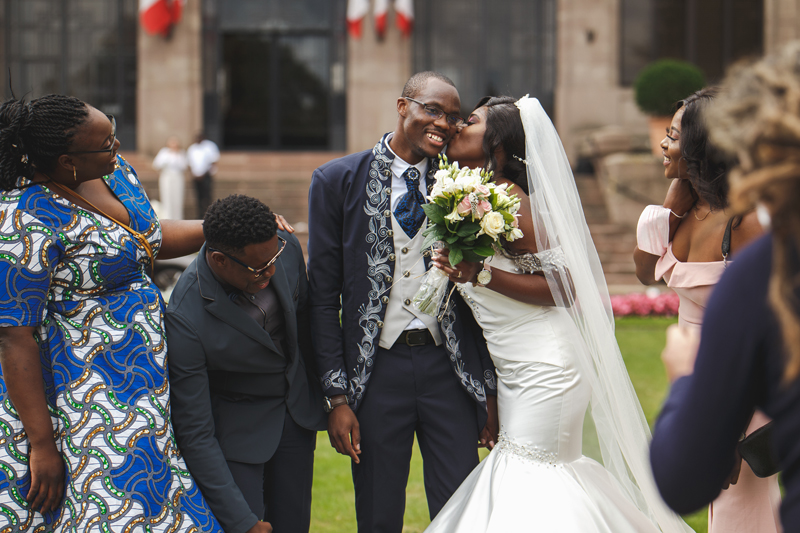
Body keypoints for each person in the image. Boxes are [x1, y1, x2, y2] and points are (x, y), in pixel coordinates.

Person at [424, 95, 692, 532]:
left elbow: (567, 284)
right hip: (515, 368)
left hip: (548, 366)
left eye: (469, 122)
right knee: (531, 473)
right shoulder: (470, 196)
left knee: (533, 474)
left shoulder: (510, 200)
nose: (456, 127)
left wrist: (482, 275)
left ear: (497, 148)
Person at [0, 95, 222, 531]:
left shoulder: (116, 174)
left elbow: (149, 240)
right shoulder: (23, 219)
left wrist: (232, 225)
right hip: (83, 388)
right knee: (116, 503)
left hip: (139, 374)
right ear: (68, 161)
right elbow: (13, 337)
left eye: (113, 132)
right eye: (105, 144)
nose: (117, 146)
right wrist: (42, 444)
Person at [307, 71, 498, 533]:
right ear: (402, 106)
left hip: (448, 370)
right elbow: (320, 299)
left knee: (459, 509)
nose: (444, 123)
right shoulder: (337, 181)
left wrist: (489, 390)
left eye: (454, 117)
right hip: (376, 374)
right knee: (377, 512)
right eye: (433, 109)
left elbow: (483, 301)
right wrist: (337, 397)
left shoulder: (467, 186)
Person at [651, 42, 800, 531]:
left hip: (734, 398)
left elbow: (681, 479)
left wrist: (688, 379)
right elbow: (644, 263)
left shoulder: (763, 263)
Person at [633, 88, 778, 532]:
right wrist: (671, 203)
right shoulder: (682, 209)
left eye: (673, 136)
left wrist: (732, 428)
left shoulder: (747, 220)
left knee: (743, 513)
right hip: (694, 379)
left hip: (742, 391)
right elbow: (643, 272)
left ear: (699, 146)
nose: (663, 142)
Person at [166, 194, 326, 533]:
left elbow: (308, 330)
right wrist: (242, 522)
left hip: (295, 421)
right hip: (236, 436)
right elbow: (195, 430)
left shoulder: (282, 247)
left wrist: (334, 399)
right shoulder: (185, 315)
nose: (271, 271)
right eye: (257, 268)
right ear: (219, 260)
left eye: (274, 259)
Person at [153, 136, 188, 220]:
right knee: (167, 196)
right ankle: (168, 217)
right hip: (167, 176)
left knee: (177, 198)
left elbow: (185, 166)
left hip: (178, 177)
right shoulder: (164, 152)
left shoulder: (181, 153)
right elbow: (156, 164)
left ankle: (178, 218)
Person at [187, 133, 220, 219]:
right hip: (196, 177)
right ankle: (200, 215)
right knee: (198, 196)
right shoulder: (192, 148)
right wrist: (193, 174)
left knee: (207, 196)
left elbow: (213, 161)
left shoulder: (210, 146)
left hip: (206, 176)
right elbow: (189, 163)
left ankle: (209, 214)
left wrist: (204, 173)